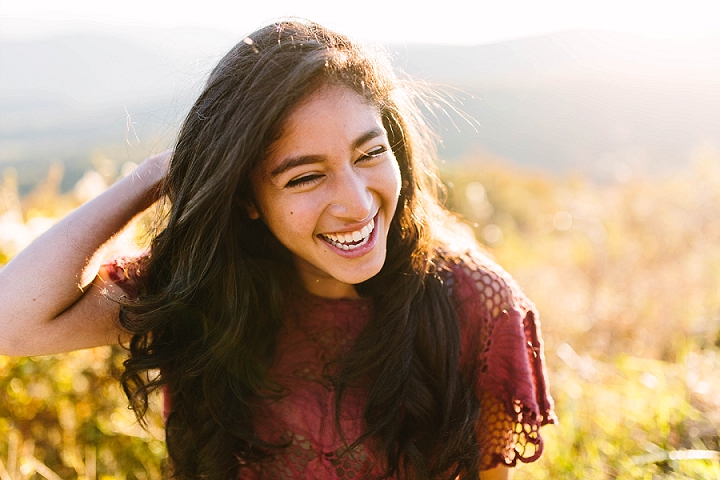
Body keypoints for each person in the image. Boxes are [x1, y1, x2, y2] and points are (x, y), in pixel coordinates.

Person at [0, 19, 554, 480]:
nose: (357, 203)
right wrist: (156, 174)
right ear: (246, 198)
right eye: (306, 177)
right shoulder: (202, 289)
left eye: (369, 154)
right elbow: (11, 321)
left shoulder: (474, 301)